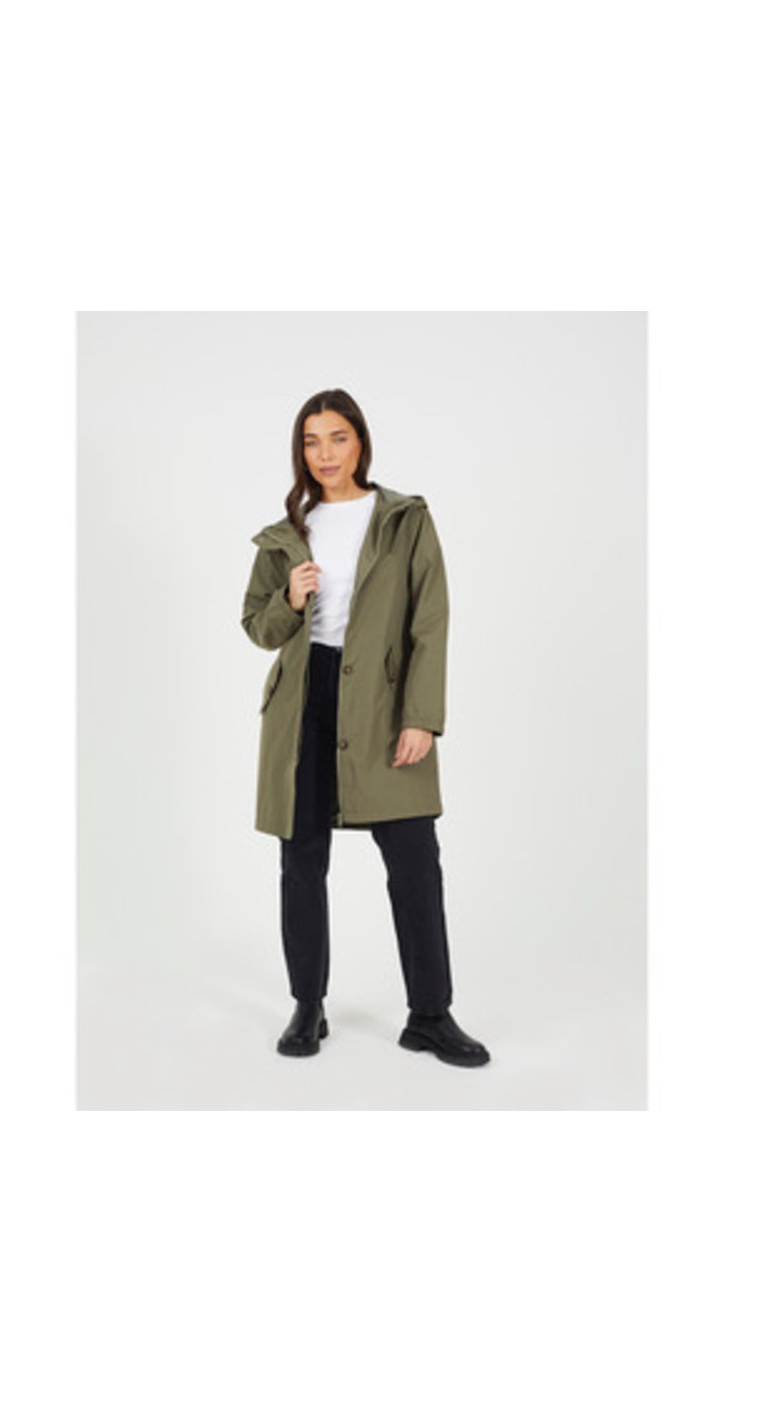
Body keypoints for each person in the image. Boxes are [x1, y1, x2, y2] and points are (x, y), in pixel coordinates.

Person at [241, 388, 490, 1068]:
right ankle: (308, 1006)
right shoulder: (286, 532)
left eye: (338, 438)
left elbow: (430, 621)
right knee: (301, 862)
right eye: (311, 441)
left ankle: (430, 1015)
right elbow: (258, 626)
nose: (325, 454)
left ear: (360, 442)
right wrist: (290, 599)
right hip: (304, 702)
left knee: (414, 861)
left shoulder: (404, 518)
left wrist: (421, 716)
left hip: (383, 701)